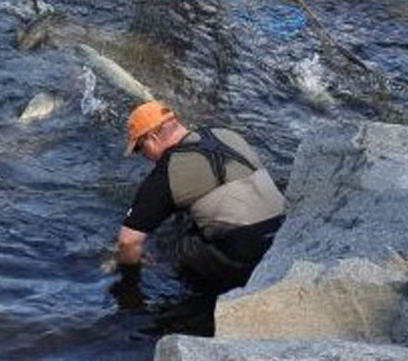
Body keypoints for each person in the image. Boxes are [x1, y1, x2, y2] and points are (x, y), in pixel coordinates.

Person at [114, 101, 286, 292]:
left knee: (166, 239)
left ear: (152, 137)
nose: (143, 156)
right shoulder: (226, 134)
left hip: (244, 258)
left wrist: (128, 282)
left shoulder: (168, 172)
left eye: (140, 148)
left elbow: (128, 241)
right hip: (284, 238)